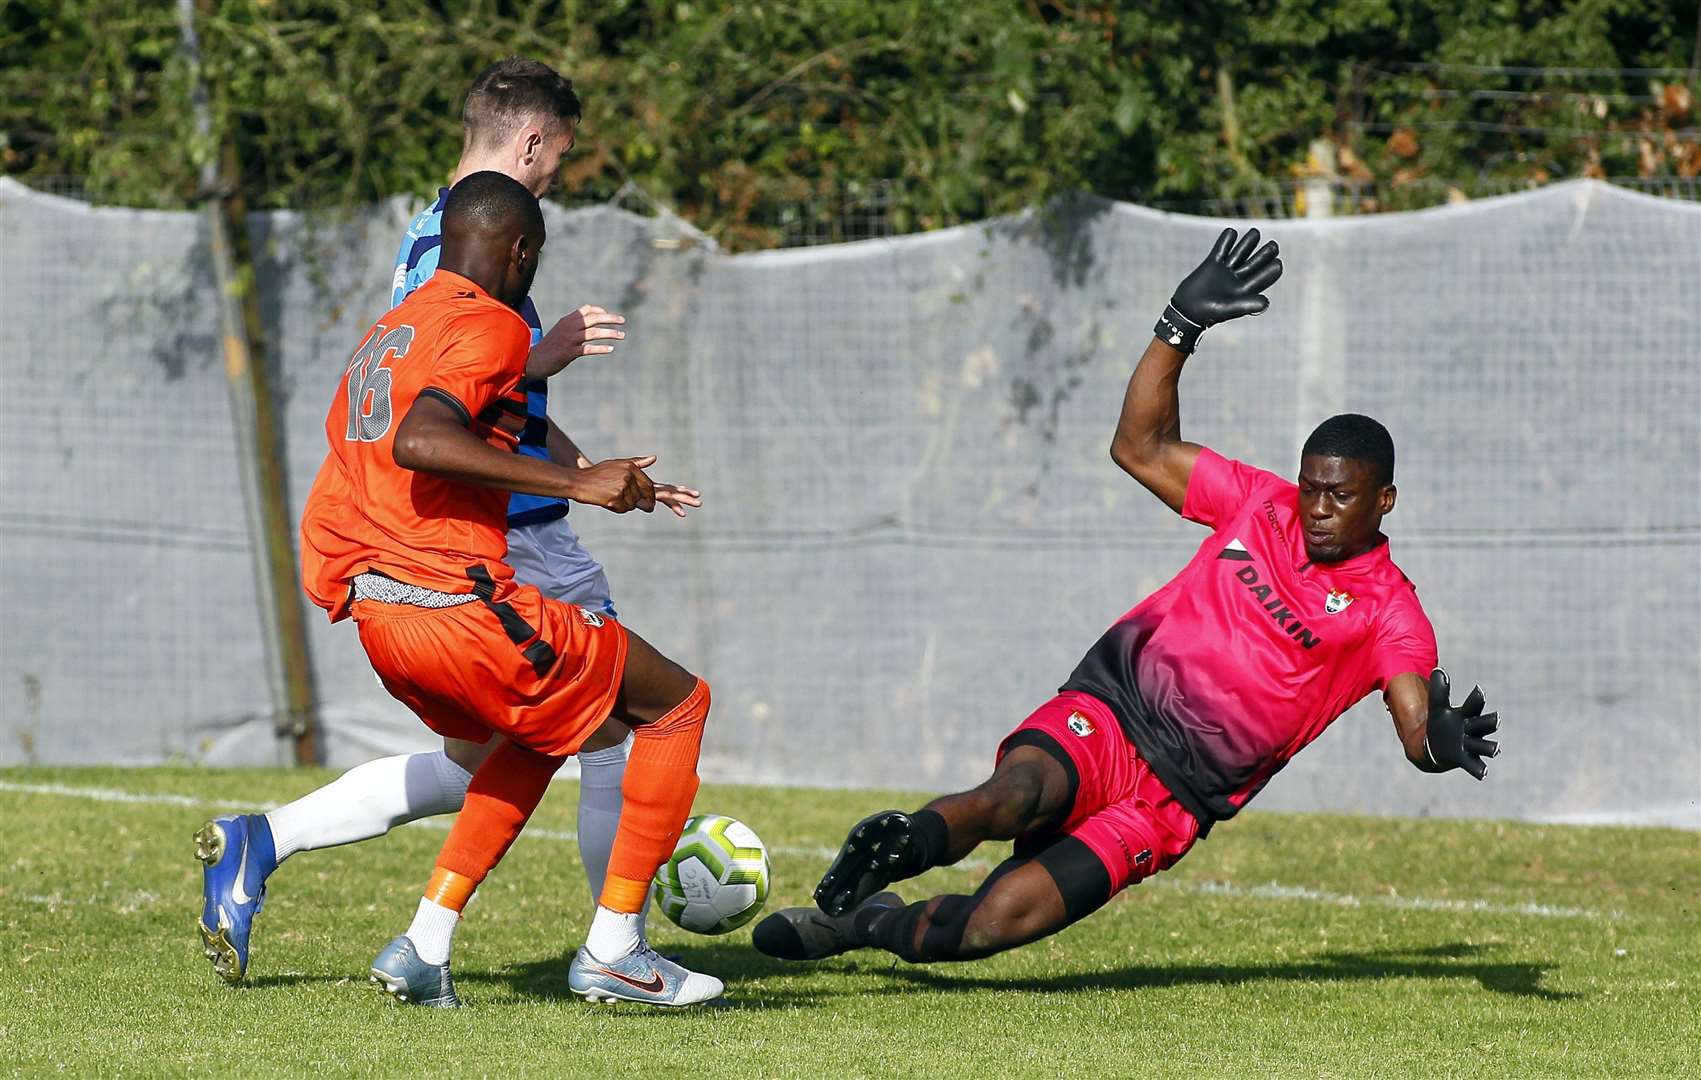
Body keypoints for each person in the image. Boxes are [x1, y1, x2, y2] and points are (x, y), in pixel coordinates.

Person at [752, 227, 1501, 968]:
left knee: (989, 926)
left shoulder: (1388, 611)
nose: (1315, 508)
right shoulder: (1258, 504)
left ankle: (864, 924)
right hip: (1111, 712)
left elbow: (1414, 728)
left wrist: (1441, 741)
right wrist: (1179, 327)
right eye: (1309, 489)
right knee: (1014, 794)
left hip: (1172, 800)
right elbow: (1137, 448)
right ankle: (901, 844)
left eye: (1338, 496)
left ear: (1384, 500)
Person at [195, 58, 697, 991]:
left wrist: (581, 464)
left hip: (490, 523)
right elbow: (438, 420)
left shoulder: (436, 234)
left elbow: (486, 398)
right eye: (561, 158)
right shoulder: (473, 250)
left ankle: (268, 843)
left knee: (485, 759)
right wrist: (567, 463)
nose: (556, 180)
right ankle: (618, 950)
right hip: (502, 536)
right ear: (532, 142)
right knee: (629, 721)